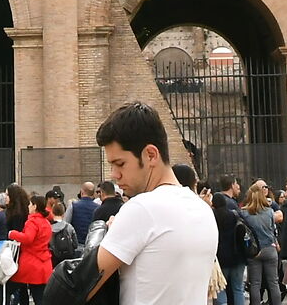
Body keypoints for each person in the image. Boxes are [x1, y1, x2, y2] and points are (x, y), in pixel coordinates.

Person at [87, 104, 214, 305]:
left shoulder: (142, 209)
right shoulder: (202, 209)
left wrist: (104, 235)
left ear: (151, 155)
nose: (114, 174)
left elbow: (77, 288)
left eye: (120, 164)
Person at [1, 187, 50, 305]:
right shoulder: (46, 222)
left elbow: (28, 238)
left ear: (35, 206)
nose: (28, 206)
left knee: (8, 288)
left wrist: (12, 234)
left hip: (31, 263)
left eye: (30, 204)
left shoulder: (32, 222)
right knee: (39, 296)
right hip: (44, 262)